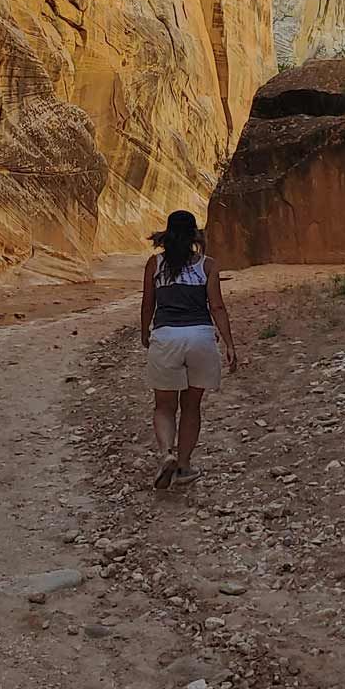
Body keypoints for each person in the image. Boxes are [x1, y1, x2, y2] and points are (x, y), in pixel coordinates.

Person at [140, 209, 237, 489]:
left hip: (166, 338)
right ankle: (183, 467)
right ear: (195, 235)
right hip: (201, 339)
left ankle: (166, 453)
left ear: (167, 235)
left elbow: (148, 304)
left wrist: (145, 332)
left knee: (164, 406)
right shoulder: (207, 266)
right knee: (191, 406)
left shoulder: (154, 265)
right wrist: (229, 343)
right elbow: (217, 306)